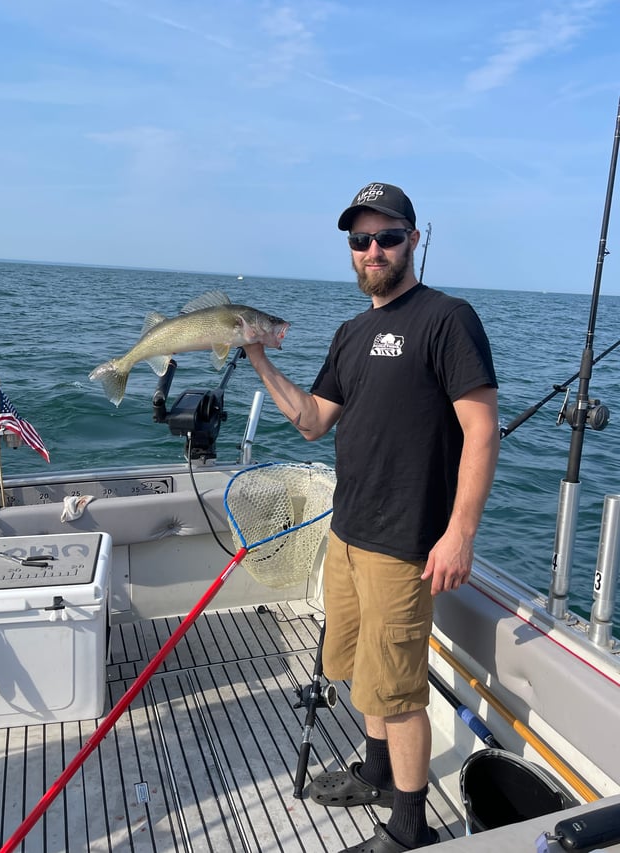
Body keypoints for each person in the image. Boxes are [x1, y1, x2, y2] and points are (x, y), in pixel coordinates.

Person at [244, 182, 499, 852]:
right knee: (360, 666)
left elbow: (481, 430)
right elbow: (310, 421)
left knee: (400, 687)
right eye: (361, 240)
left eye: (387, 236)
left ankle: (410, 826)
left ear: (413, 239)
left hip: (403, 542)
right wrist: (258, 357)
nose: (373, 250)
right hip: (348, 533)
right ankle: (377, 771)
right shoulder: (351, 333)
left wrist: (459, 532)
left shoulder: (447, 318)